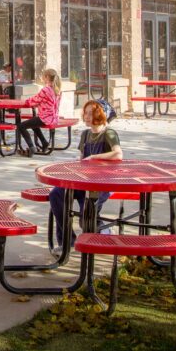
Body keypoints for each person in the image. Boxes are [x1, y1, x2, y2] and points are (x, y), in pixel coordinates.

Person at [48, 100, 123, 250]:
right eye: (86, 113)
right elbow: (82, 159)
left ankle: (104, 230)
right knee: (56, 194)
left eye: (91, 113)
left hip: (102, 184)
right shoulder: (85, 134)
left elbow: (118, 154)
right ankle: (66, 242)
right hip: (83, 181)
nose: (87, 116)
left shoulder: (108, 133)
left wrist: (95, 157)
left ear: (101, 114)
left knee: (86, 218)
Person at [16, 68, 61, 157]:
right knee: (33, 123)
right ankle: (44, 143)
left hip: (45, 118)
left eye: (43, 77)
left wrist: (27, 101)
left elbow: (34, 100)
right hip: (54, 118)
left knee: (21, 126)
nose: (42, 79)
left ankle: (31, 147)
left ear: (47, 77)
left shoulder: (46, 90)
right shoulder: (57, 90)